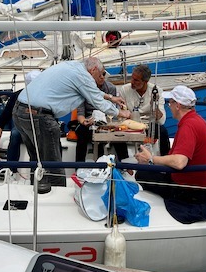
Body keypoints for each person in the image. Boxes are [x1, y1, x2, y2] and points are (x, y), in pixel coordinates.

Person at [13, 57, 132, 193]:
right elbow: (98, 102)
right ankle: (58, 197)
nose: (101, 78)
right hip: (39, 116)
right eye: (101, 74)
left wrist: (111, 97)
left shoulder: (74, 67)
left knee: (36, 159)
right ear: (93, 69)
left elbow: (92, 91)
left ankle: (36, 193)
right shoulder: (84, 76)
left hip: (20, 111)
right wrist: (121, 113)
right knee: (53, 164)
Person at [134, 85, 206, 223]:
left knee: (141, 174)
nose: (169, 106)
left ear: (177, 105)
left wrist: (151, 159)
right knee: (151, 171)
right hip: (202, 184)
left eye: (170, 103)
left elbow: (179, 162)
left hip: (190, 190)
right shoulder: (198, 121)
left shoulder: (188, 126)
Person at [74, 70, 128, 162]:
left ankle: (126, 165)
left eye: (103, 74)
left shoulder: (111, 88)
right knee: (82, 132)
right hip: (89, 120)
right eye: (99, 75)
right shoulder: (83, 89)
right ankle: (79, 166)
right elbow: (80, 114)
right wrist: (84, 122)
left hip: (107, 120)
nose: (102, 77)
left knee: (119, 135)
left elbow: (112, 111)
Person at [117, 65, 170, 156]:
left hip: (149, 126)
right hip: (130, 125)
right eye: (132, 78)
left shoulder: (156, 91)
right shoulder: (124, 90)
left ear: (145, 82)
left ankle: (165, 159)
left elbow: (161, 121)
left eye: (136, 80)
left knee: (162, 131)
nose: (132, 82)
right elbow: (121, 115)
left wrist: (154, 105)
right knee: (117, 136)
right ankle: (124, 162)